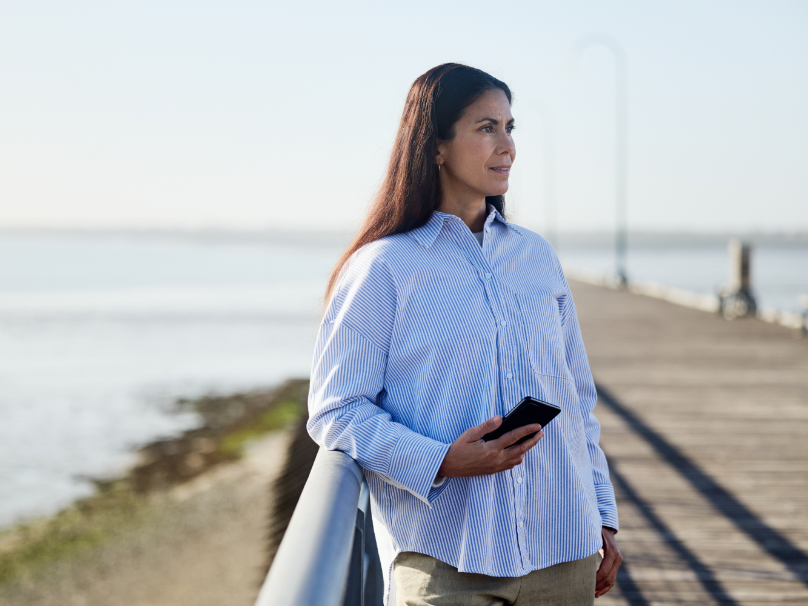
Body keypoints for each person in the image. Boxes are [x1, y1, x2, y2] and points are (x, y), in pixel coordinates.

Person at [307, 63, 622, 606]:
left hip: (563, 552)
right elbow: (337, 410)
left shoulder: (536, 258)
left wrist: (603, 515)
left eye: (509, 127)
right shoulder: (384, 268)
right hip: (446, 560)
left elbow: (576, 398)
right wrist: (442, 460)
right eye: (486, 128)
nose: (508, 147)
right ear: (435, 147)